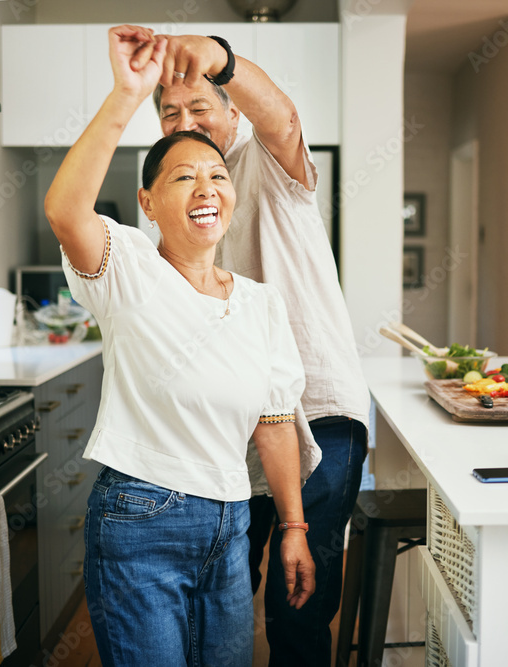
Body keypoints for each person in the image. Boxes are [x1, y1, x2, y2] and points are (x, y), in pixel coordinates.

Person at [43, 27, 316, 666]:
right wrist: (127, 93)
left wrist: (294, 530)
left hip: (231, 524)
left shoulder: (260, 302)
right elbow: (64, 211)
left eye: (217, 175)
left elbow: (274, 423)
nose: (205, 189)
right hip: (141, 520)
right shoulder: (126, 268)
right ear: (147, 201)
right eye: (182, 177)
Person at [126, 28, 372, 665]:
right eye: (171, 113)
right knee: (229, 589)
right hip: (241, 425)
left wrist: (220, 58)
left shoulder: (266, 162)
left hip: (319, 410)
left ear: (232, 112)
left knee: (301, 602)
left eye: (200, 106)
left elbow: (281, 115)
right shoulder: (176, 199)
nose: (186, 121)